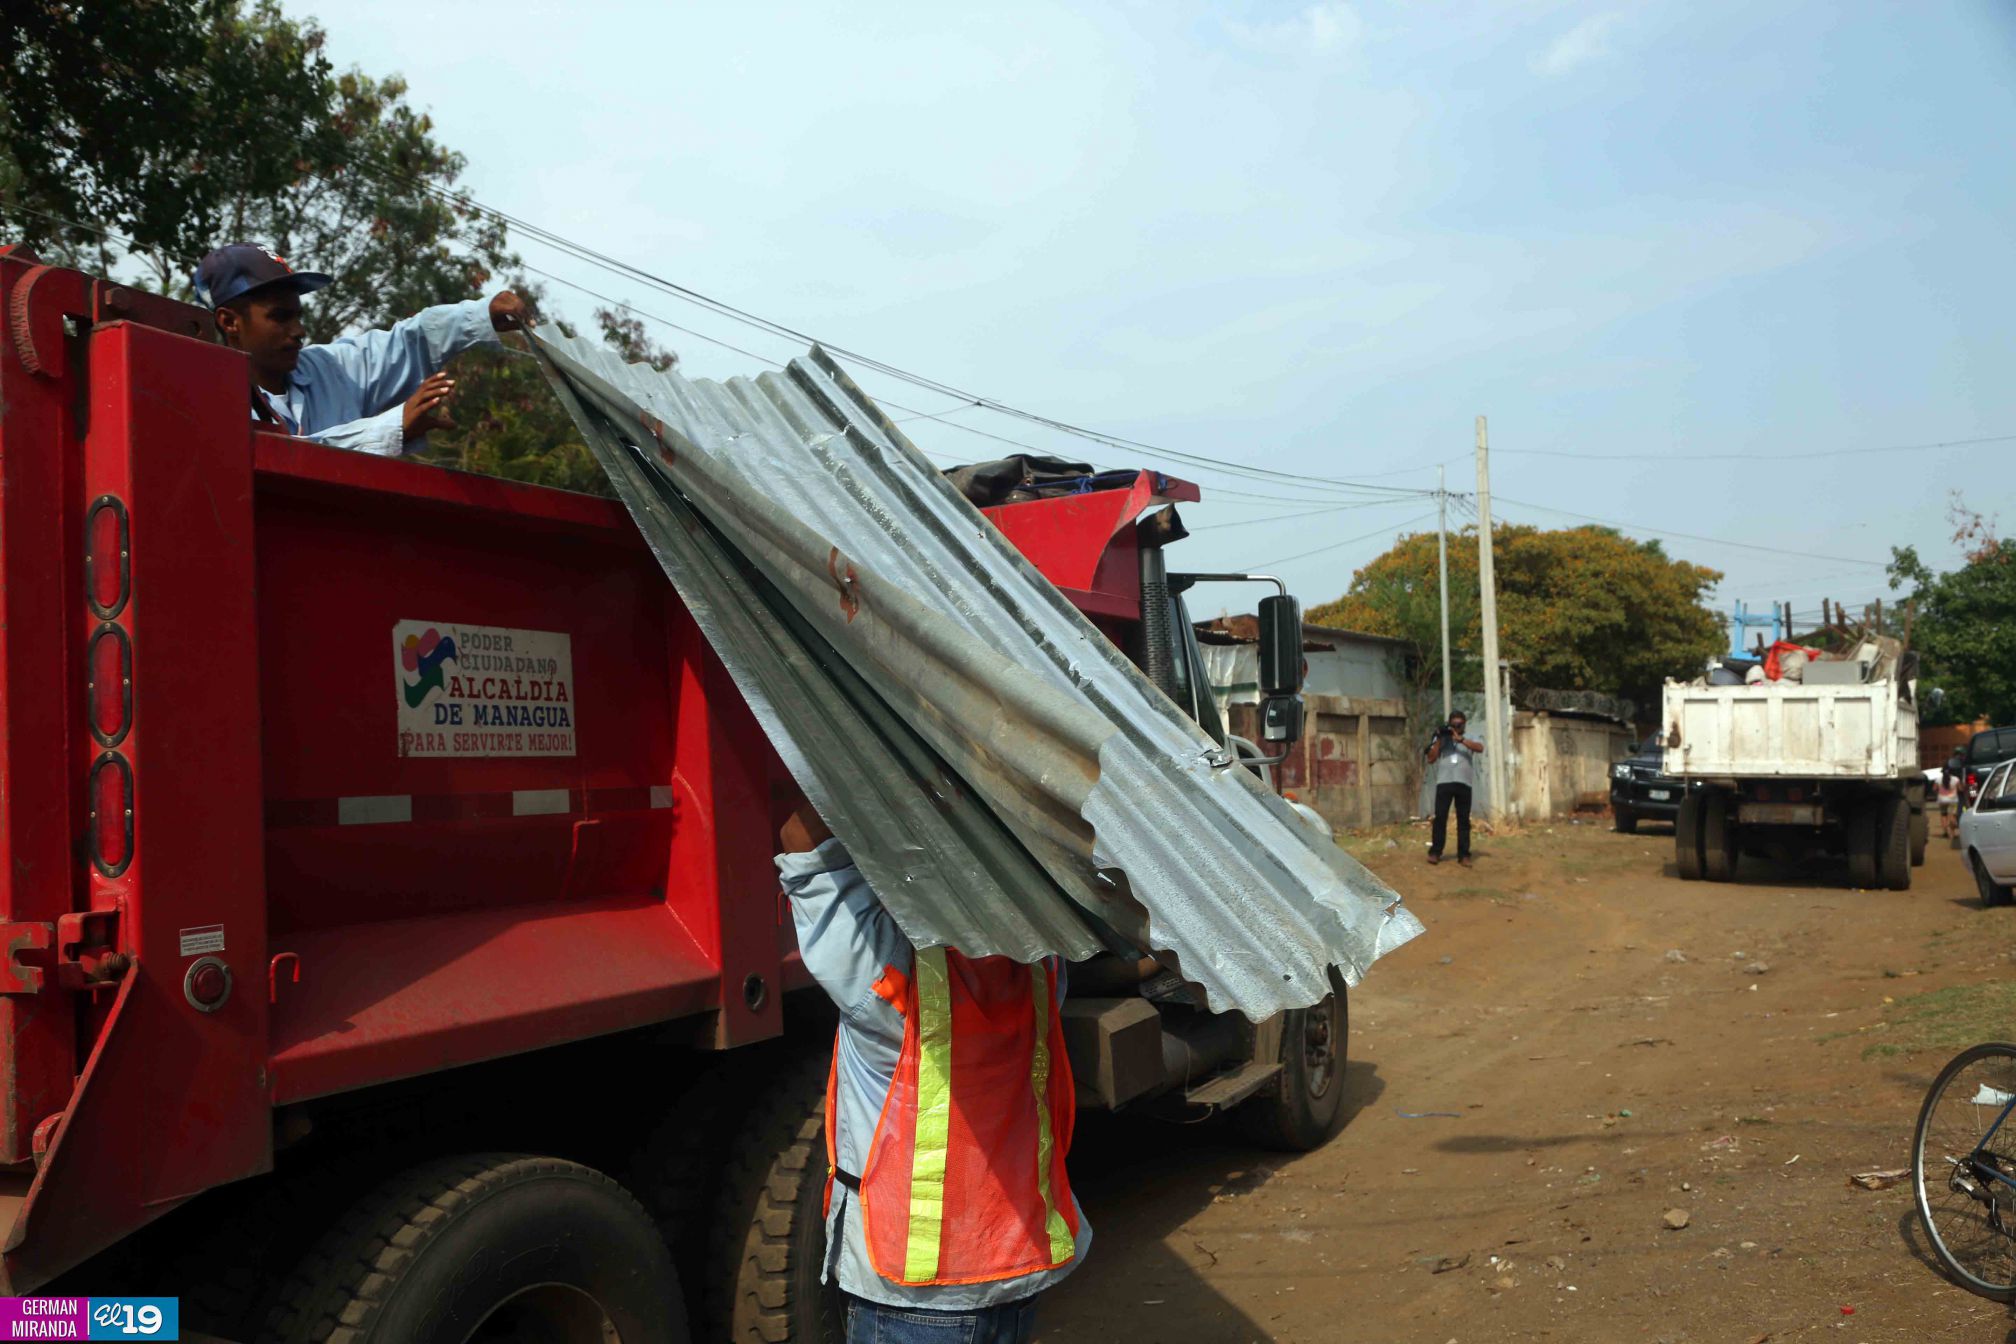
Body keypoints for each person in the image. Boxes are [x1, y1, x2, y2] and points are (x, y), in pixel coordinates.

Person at [776, 799, 1089, 1344]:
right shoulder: (1041, 971)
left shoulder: (885, 984)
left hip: (912, 1297)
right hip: (1016, 1271)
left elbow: (803, 849)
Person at [192, 242, 530, 456]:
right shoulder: (205, 402)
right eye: (280, 317)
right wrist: (393, 427)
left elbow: (410, 341)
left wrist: (481, 314)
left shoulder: (329, 369)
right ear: (229, 321)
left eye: (298, 315)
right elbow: (278, 455)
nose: (298, 331)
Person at [1425, 711, 1483, 866]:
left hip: (1464, 783)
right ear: (1449, 724)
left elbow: (1480, 748)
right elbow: (1431, 758)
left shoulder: (1470, 736)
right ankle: (1435, 852)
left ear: (1464, 724)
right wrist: (1439, 739)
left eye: (1459, 725)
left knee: (1463, 820)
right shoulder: (1442, 738)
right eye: (1454, 725)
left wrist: (1461, 740)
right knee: (1440, 818)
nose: (1457, 727)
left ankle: (1464, 855)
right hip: (1444, 782)